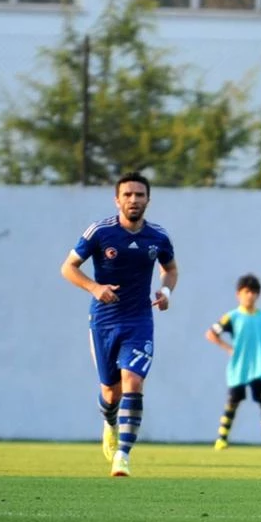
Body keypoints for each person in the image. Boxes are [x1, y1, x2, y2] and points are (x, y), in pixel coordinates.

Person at [60, 171, 178, 478]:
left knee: (133, 383)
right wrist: (95, 288)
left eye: (139, 195)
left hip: (139, 321)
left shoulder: (159, 237)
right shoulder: (100, 232)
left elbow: (170, 269)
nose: (133, 200)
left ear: (148, 200)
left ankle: (123, 456)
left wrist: (165, 291)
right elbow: (68, 267)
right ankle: (109, 422)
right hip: (104, 321)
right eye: (128, 195)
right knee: (110, 394)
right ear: (117, 200)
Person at [206, 273, 261, 451]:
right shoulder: (231, 317)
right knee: (232, 403)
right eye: (247, 291)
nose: (250, 295)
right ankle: (222, 439)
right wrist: (228, 348)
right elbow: (211, 333)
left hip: (259, 367)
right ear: (238, 294)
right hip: (239, 367)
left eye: (254, 292)